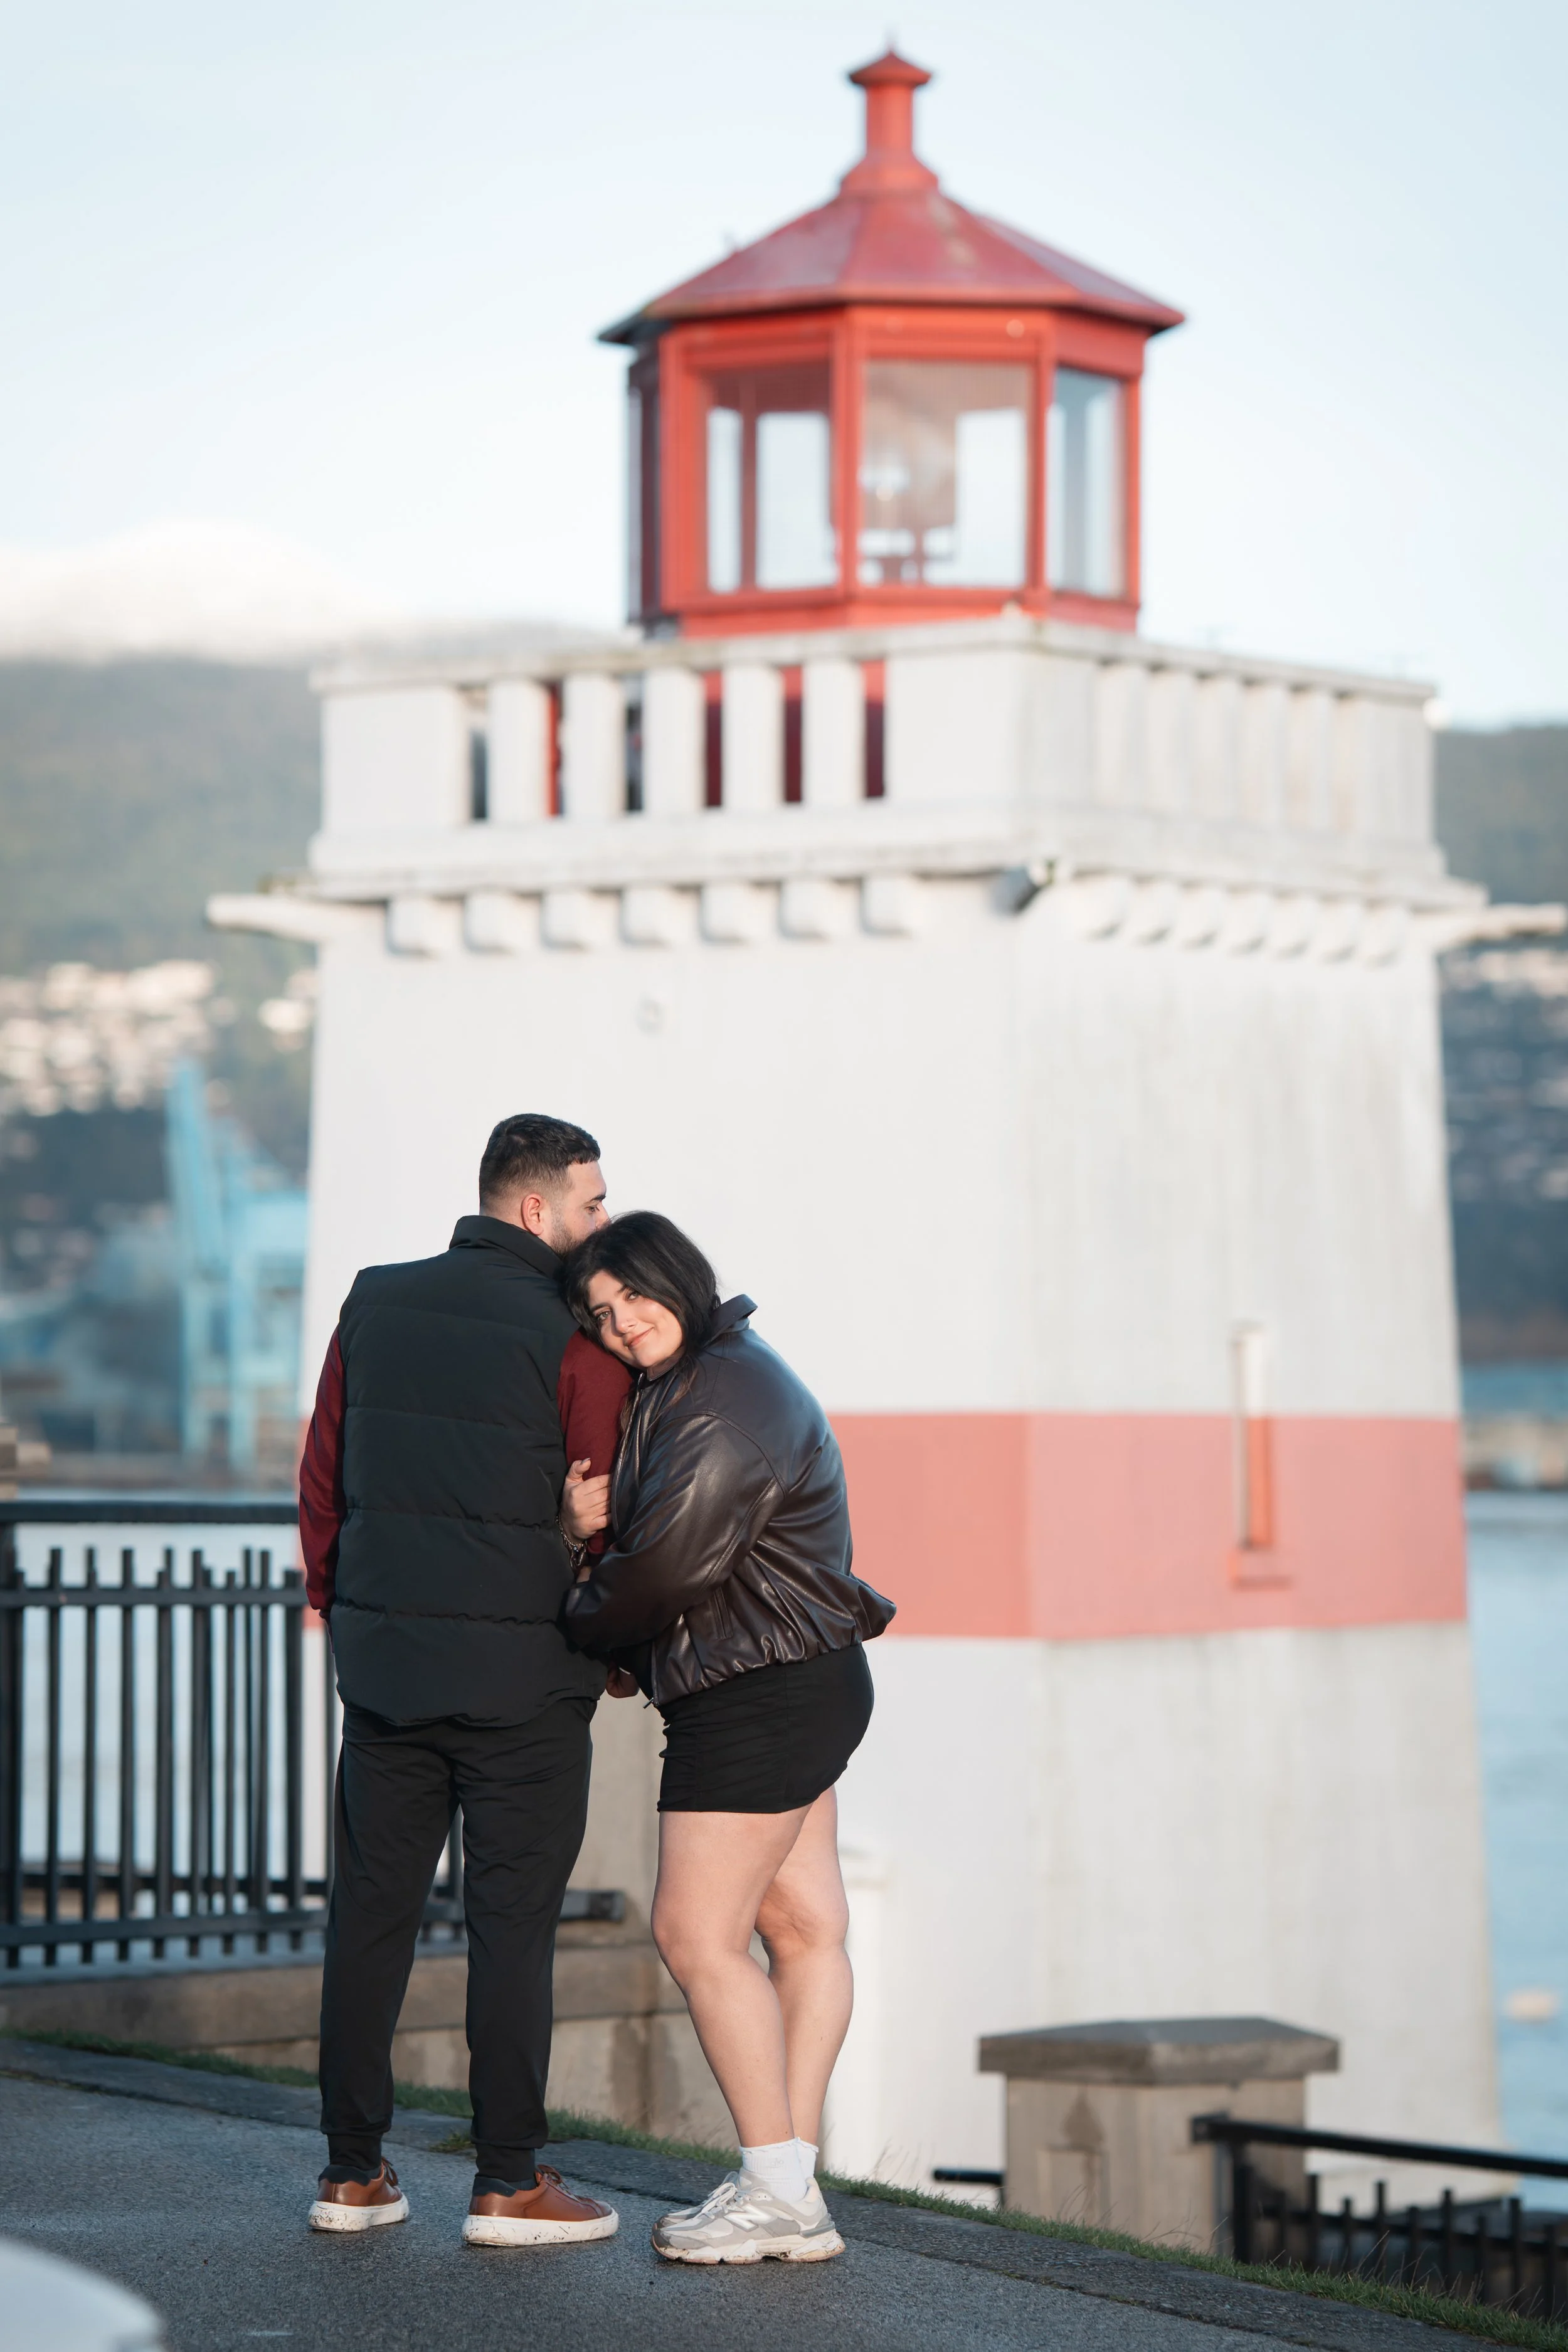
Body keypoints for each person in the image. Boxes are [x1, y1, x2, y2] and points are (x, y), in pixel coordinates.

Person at [297, 1113, 625, 2250]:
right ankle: (507, 2181)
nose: (600, 1222)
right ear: (535, 1209)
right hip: (527, 1680)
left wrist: (342, 1614)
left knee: (370, 1921)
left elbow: (325, 1474)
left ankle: (350, 2174)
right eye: (589, 1202)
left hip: (387, 1678)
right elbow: (603, 1501)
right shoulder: (576, 1333)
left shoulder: (373, 1299)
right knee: (511, 1931)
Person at [559, 1211, 895, 2265]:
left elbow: (661, 1572)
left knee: (697, 1936)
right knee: (804, 1931)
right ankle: (785, 2182)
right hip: (800, 1676)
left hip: (756, 1692)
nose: (622, 1325)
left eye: (634, 1299)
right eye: (602, 1316)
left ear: (681, 1279)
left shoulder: (722, 1401)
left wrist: (577, 1571)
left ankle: (775, 2188)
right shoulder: (718, 1374)